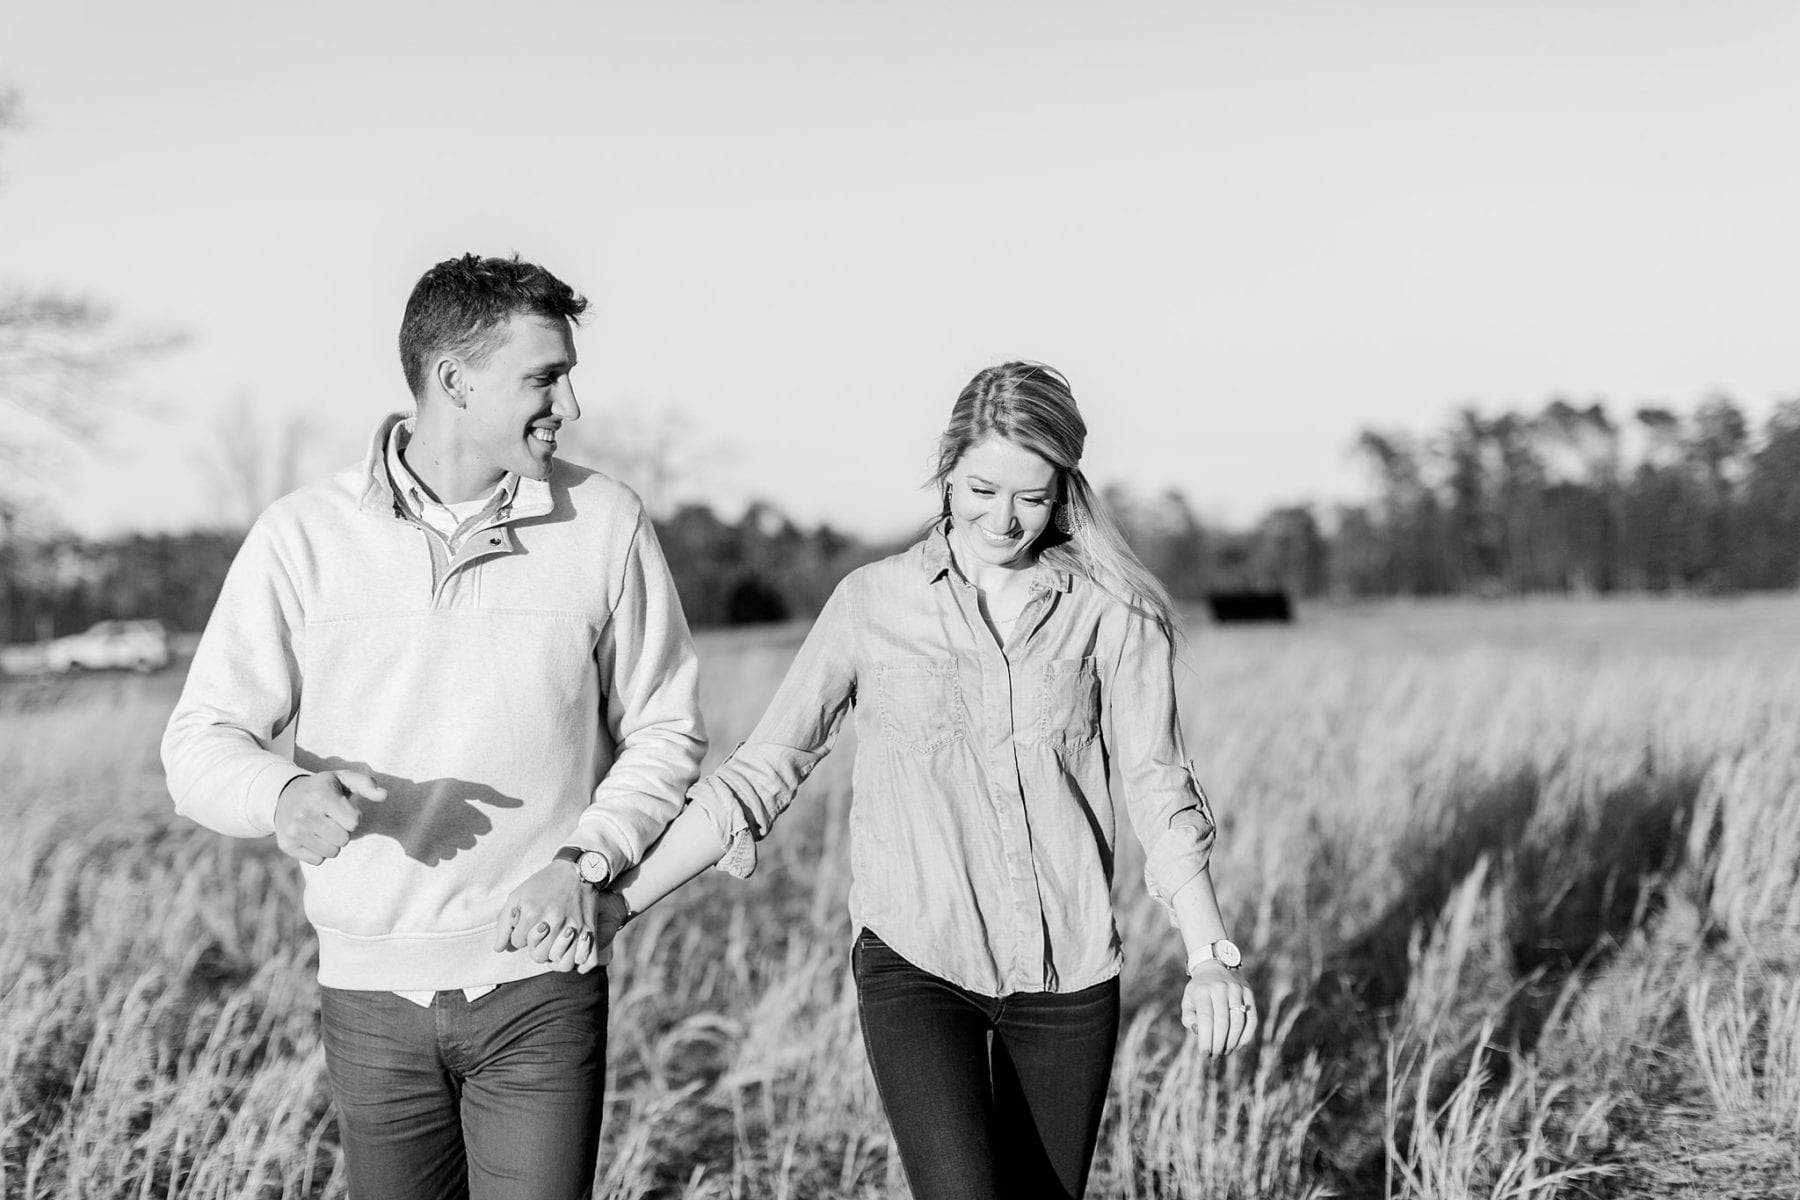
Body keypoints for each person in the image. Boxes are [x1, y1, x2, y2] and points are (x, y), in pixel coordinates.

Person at [595, 361, 1256, 1200]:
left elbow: (1160, 789)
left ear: (1064, 494)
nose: (1005, 520)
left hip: (1070, 967)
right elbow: (764, 770)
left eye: (1033, 497)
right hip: (917, 958)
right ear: (946, 472)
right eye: (982, 489)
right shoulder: (873, 602)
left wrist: (1211, 956)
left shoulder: (1113, 612)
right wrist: (620, 899)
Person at [161, 253, 706, 1200]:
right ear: (453, 378)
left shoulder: (606, 522)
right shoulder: (301, 537)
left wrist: (586, 859)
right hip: (368, 1000)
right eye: (544, 376)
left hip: (541, 985)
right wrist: (279, 793)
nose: (568, 404)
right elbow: (198, 742)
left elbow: (667, 731)